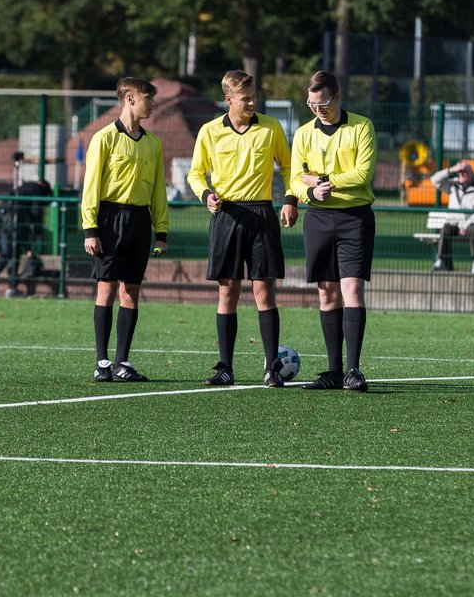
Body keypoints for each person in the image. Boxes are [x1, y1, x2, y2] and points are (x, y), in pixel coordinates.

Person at [187, 70, 298, 388]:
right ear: (229, 99)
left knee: (264, 290)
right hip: (227, 216)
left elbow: (289, 166)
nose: (252, 102)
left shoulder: (271, 128)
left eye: (254, 96)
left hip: (262, 214)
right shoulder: (210, 131)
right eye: (245, 98)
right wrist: (206, 195)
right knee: (228, 291)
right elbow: (196, 173)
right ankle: (225, 368)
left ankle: (272, 368)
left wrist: (290, 197)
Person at [289, 70, 377, 392]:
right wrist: (310, 193)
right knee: (326, 291)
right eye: (311, 104)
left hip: (355, 218)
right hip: (318, 218)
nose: (317, 109)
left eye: (322, 103)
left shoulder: (362, 126)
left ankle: (354, 370)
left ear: (337, 97)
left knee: (351, 288)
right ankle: (334, 371)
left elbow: (362, 174)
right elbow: (296, 180)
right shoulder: (302, 134)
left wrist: (324, 180)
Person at [80, 77, 170, 383]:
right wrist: (90, 228)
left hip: (139, 221)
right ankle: (102, 362)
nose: (153, 104)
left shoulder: (154, 144)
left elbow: (158, 190)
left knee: (131, 290)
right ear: (130, 99)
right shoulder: (103, 138)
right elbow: (91, 185)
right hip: (108, 220)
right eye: (148, 98)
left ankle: (122, 362)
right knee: (106, 287)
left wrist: (162, 230)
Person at [0, 179, 50, 298]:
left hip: (2, 222)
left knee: (14, 253)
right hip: (8, 224)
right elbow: (36, 212)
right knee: (8, 253)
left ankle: (11, 286)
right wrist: (37, 232)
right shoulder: (36, 191)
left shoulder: (24, 189)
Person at [429, 160, 474, 273]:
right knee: (446, 228)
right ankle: (440, 260)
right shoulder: (453, 185)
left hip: (471, 224)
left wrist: (464, 226)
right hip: (454, 223)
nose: (461, 174)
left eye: (464, 172)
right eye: (459, 172)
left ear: (471, 173)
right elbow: (434, 180)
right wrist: (451, 170)